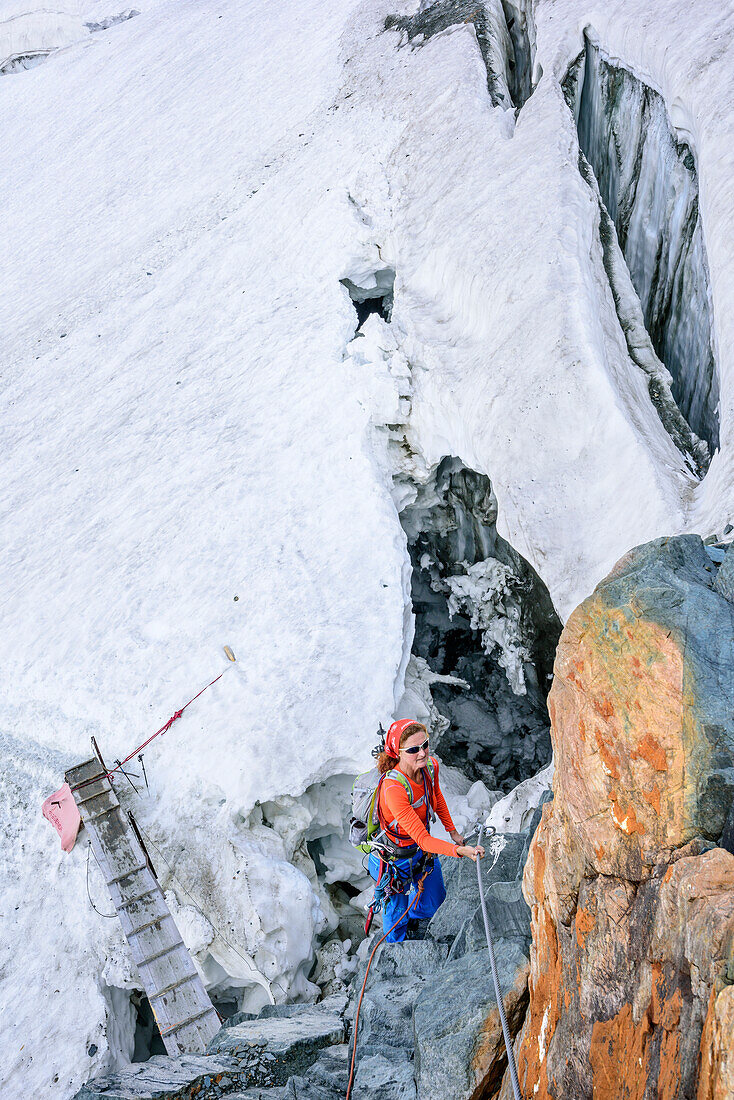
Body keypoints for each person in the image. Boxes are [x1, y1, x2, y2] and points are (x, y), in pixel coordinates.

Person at [368, 718, 484, 943]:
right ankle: (395, 953)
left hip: (420, 853)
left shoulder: (430, 767)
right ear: (398, 753)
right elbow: (422, 838)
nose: (422, 753)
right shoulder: (394, 789)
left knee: (434, 899)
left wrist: (453, 833)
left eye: (425, 745)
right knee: (396, 914)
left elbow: (437, 797)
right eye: (413, 749)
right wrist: (459, 851)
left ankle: (415, 919)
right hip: (394, 859)